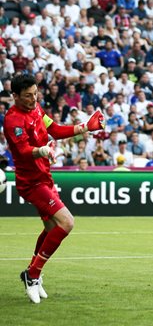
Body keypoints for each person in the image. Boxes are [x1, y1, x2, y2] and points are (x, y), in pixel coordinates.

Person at [4, 74, 105, 304]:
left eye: (35, 93)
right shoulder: (13, 120)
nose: (33, 98)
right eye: (28, 96)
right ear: (15, 96)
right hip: (31, 183)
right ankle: (33, 274)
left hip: (45, 177)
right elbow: (22, 151)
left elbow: (56, 130)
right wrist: (43, 151)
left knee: (51, 227)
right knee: (67, 222)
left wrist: (86, 127)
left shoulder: (37, 110)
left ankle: (31, 273)